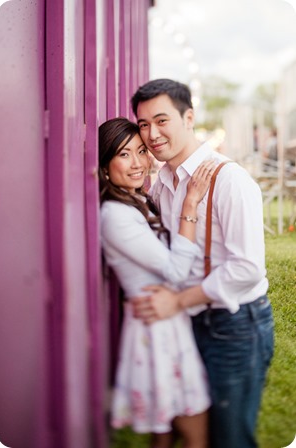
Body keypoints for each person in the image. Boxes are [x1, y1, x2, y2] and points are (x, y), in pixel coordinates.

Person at [130, 79, 274, 448]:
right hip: (190, 321)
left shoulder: (230, 180)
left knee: (229, 437)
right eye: (144, 124)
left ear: (189, 117)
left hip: (235, 323)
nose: (152, 134)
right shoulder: (161, 182)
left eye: (162, 121)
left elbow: (247, 269)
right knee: (196, 431)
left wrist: (177, 300)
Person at [99, 117, 215, 448]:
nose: (138, 163)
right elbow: (176, 271)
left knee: (164, 432)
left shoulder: (136, 201)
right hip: (157, 327)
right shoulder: (117, 215)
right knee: (195, 431)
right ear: (106, 165)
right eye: (124, 154)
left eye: (141, 151)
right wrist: (190, 204)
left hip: (162, 321)